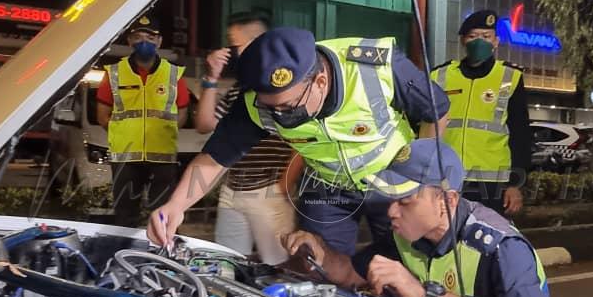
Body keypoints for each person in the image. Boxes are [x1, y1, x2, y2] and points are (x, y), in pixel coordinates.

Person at [148, 27, 449, 256]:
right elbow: (214, 159)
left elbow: (437, 111)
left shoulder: (376, 67)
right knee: (319, 268)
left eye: (290, 106)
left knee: (403, 264)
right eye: (272, 107)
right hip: (328, 191)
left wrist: (422, 179)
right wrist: (176, 205)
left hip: (392, 184)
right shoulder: (255, 103)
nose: (280, 114)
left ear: (319, 81)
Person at [280, 138, 563, 297]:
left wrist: (424, 296)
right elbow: (350, 274)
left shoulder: (499, 246)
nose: (391, 211)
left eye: (405, 201)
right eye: (390, 198)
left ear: (447, 200)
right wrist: (320, 253)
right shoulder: (405, 236)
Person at [194, 11, 299, 264]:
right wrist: (211, 78)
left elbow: (303, 144)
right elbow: (205, 124)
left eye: (236, 45)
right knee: (228, 263)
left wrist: (283, 185)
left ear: (258, 44)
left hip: (268, 193)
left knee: (279, 265)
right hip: (233, 191)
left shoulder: (284, 89)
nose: (232, 52)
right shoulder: (238, 90)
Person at [432, 10, 532, 216]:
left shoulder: (510, 77)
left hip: (492, 184)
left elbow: (520, 134)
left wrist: (515, 185)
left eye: (486, 37)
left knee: (486, 240)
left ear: (496, 41)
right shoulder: (440, 76)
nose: (479, 42)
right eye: (473, 36)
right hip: (447, 178)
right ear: (462, 40)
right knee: (446, 240)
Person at [96, 16, 190, 227]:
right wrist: (121, 131)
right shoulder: (114, 73)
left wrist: (166, 130)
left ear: (159, 41)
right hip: (125, 157)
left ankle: (158, 254)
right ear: (129, 41)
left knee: (162, 215)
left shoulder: (174, 74)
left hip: (162, 157)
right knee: (125, 216)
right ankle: (124, 254)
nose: (144, 41)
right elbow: (102, 115)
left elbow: (182, 113)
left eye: (150, 37)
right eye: (138, 37)